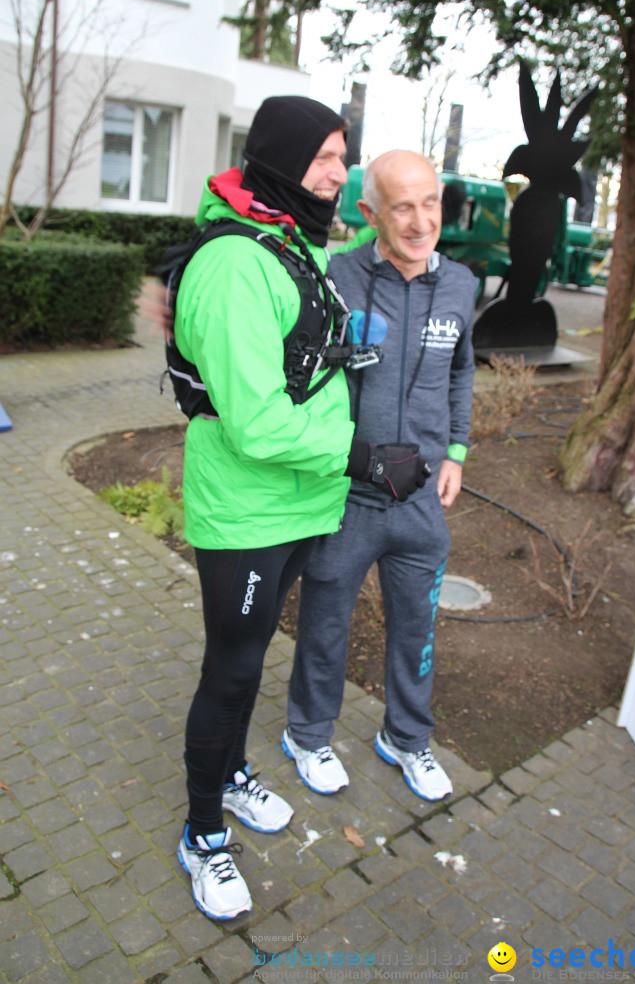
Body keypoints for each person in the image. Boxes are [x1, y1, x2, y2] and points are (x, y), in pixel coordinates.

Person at [171, 98, 429, 921]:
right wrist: (362, 460)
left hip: (294, 504)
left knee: (249, 658)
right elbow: (253, 422)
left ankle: (234, 773)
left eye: (344, 156)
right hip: (248, 509)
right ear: (281, 157)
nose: (337, 171)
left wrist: (393, 227)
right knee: (233, 668)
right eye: (323, 154)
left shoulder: (285, 240)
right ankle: (202, 832)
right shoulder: (234, 263)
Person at [283, 150, 477, 802]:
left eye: (432, 204)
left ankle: (406, 738)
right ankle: (307, 734)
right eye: (402, 206)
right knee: (325, 624)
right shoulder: (335, 276)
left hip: (420, 501)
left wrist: (456, 450)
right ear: (369, 213)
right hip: (348, 498)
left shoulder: (460, 284)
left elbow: (461, 371)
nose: (422, 222)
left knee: (417, 628)